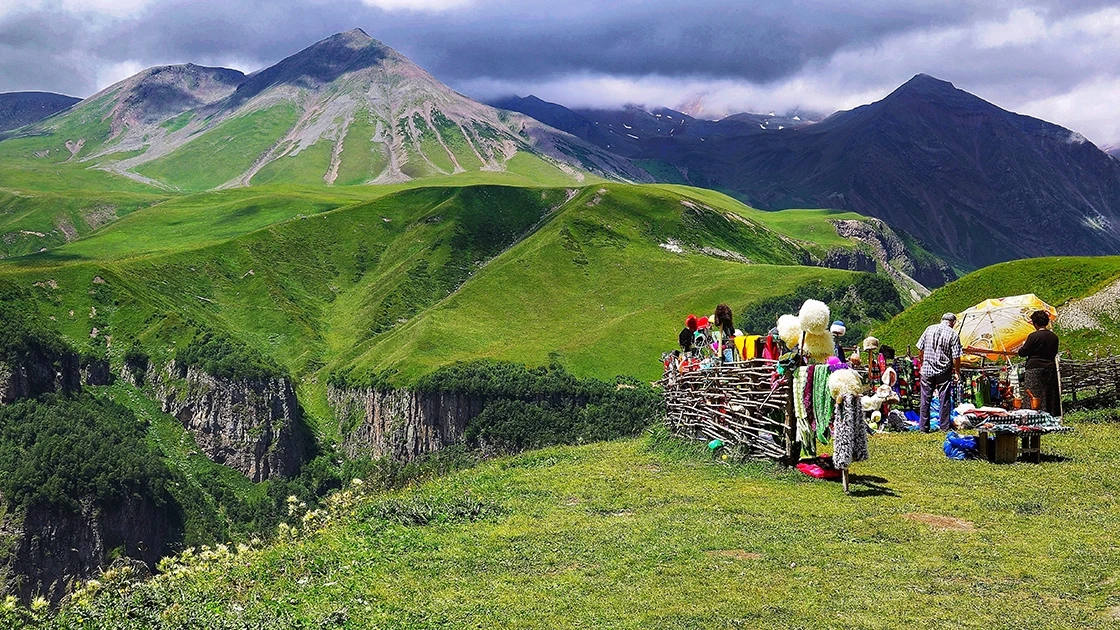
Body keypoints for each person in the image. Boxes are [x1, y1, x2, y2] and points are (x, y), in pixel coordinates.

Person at [916, 312, 962, 432]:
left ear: (942, 319)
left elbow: (920, 348)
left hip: (927, 369)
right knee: (944, 399)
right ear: (953, 323)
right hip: (943, 370)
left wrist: (922, 361)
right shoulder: (953, 334)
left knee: (925, 399)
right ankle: (944, 427)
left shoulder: (929, 329)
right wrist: (957, 371)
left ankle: (923, 427)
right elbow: (956, 357)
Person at [1018, 310, 1060, 417]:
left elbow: (1022, 352)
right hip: (1050, 367)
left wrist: (1023, 346)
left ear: (1035, 323)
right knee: (1048, 392)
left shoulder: (1033, 336)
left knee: (1033, 393)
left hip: (1034, 367)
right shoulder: (1054, 337)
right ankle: (1051, 414)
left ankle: (1033, 416)